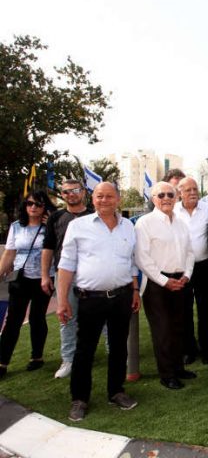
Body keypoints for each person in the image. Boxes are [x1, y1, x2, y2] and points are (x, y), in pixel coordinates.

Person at [55, 182, 139, 421]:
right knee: (85, 350)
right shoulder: (78, 226)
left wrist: (134, 290)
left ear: (118, 199)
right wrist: (62, 301)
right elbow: (66, 264)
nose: (104, 200)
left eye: (109, 196)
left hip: (122, 296)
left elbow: (131, 261)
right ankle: (80, 399)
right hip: (90, 299)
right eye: (100, 196)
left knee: (119, 347)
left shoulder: (128, 227)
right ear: (93, 199)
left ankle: (116, 391)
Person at [135, 181, 196, 390]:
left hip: (181, 281)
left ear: (176, 197)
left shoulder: (181, 223)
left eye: (170, 194)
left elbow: (189, 252)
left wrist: (187, 275)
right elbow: (142, 258)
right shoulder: (144, 223)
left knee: (179, 327)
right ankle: (167, 374)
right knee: (163, 330)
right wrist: (164, 281)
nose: (166, 198)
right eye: (161, 195)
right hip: (156, 285)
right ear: (153, 199)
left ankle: (178, 368)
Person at [0, 191, 56, 378]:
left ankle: (37, 357)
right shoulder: (17, 227)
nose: (33, 207)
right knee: (13, 320)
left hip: (44, 277)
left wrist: (50, 226)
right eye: (30, 204)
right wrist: (0, 272)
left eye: (38, 204)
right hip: (20, 278)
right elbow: (9, 253)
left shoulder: (50, 226)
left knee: (37, 317)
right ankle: (2, 361)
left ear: (45, 207)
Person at [41, 180, 93, 379]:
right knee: (66, 317)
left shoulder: (93, 214)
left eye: (75, 191)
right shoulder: (56, 217)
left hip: (91, 274)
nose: (71, 194)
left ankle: (112, 352)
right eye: (66, 192)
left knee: (103, 317)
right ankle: (68, 359)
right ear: (62, 195)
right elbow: (48, 248)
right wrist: (45, 275)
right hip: (65, 275)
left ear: (83, 192)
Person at [174, 177, 208, 365]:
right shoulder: (172, 211)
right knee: (183, 310)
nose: (193, 193)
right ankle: (188, 350)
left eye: (195, 189)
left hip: (204, 265)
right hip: (181, 268)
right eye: (188, 190)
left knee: (207, 309)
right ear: (179, 193)